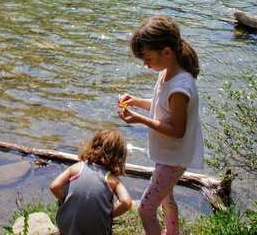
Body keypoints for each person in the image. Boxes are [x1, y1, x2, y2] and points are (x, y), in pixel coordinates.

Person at [118, 15, 204, 235]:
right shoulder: (167, 72)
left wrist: (139, 119)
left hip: (173, 159)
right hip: (168, 156)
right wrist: (136, 101)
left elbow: (177, 130)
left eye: (147, 59)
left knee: (146, 209)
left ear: (167, 52)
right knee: (166, 197)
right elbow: (160, 106)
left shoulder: (180, 87)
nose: (146, 65)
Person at [50, 129, 132, 235]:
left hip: (67, 227)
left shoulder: (77, 168)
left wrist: (66, 200)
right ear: (119, 157)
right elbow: (126, 202)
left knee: (68, 186)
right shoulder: (112, 180)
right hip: (96, 230)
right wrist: (110, 215)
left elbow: (54, 186)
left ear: (93, 145)